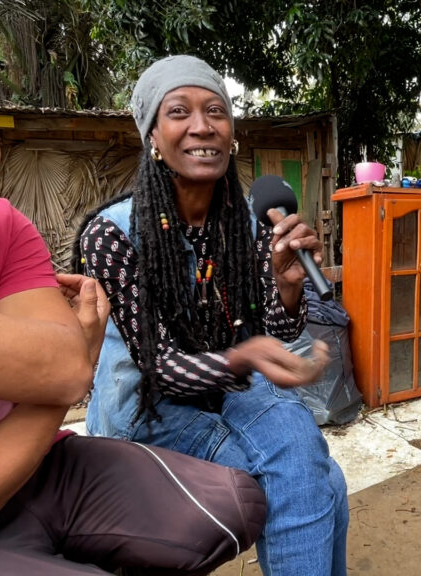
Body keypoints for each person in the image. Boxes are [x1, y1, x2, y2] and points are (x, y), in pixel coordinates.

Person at [0, 2, 266, 574]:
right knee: (285, 456)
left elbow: (64, 369)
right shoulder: (114, 232)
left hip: (46, 460)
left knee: (247, 492)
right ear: (150, 137)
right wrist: (68, 366)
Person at [74, 55, 349, 576]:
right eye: (179, 111)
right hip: (148, 411)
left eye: (216, 111)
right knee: (316, 481)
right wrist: (246, 357)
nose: (202, 125)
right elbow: (160, 367)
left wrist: (288, 289)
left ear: (232, 134)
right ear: (153, 135)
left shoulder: (244, 222)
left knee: (311, 470)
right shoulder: (110, 236)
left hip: (229, 389)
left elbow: (276, 330)